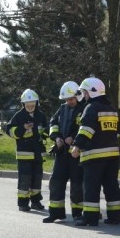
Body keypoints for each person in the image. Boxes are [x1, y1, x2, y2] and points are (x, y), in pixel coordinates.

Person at [70, 77, 120, 227]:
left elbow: (87, 129)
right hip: (112, 156)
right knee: (111, 186)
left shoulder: (91, 108)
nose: (84, 96)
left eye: (85, 92)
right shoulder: (112, 108)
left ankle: (90, 219)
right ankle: (114, 217)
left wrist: (77, 146)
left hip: (94, 156)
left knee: (91, 188)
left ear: (92, 92)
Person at [43, 81, 86, 224]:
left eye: (71, 99)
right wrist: (56, 138)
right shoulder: (62, 108)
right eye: (67, 99)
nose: (69, 102)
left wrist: (72, 138)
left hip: (75, 152)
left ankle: (77, 213)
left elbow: (84, 127)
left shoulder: (84, 108)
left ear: (78, 96)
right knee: (56, 181)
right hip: (62, 152)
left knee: (77, 184)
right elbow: (53, 123)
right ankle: (56, 213)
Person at [5, 89, 48, 212]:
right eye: (28, 105)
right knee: (25, 179)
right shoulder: (18, 116)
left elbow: (46, 129)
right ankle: (23, 203)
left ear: (36, 103)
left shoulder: (40, 116)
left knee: (37, 178)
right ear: (23, 104)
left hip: (38, 153)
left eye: (32, 105)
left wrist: (46, 134)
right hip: (24, 154)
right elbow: (9, 131)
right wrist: (22, 129)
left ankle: (36, 201)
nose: (30, 107)